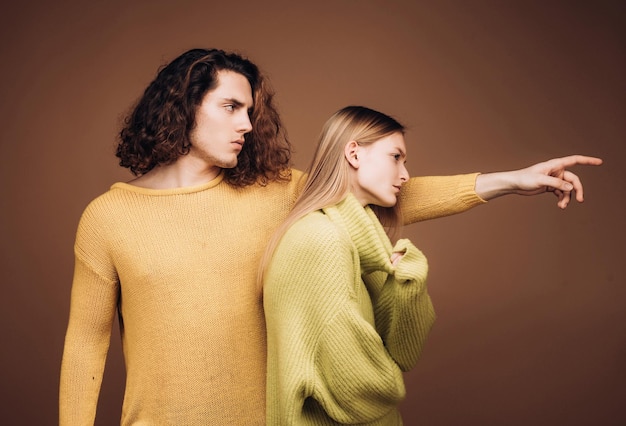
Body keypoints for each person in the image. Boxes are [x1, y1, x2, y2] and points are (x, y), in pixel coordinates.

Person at [58, 48, 602, 425]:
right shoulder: (108, 217)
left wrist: (508, 181)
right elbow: (87, 343)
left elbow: (390, 191)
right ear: (181, 106)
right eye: (230, 107)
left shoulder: (277, 192)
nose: (247, 124)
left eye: (251, 110)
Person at [260, 105, 433, 425]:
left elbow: (403, 352)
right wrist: (393, 385)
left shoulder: (359, 242)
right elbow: (356, 385)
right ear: (354, 153)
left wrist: (408, 285)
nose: (405, 175)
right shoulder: (321, 239)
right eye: (396, 157)